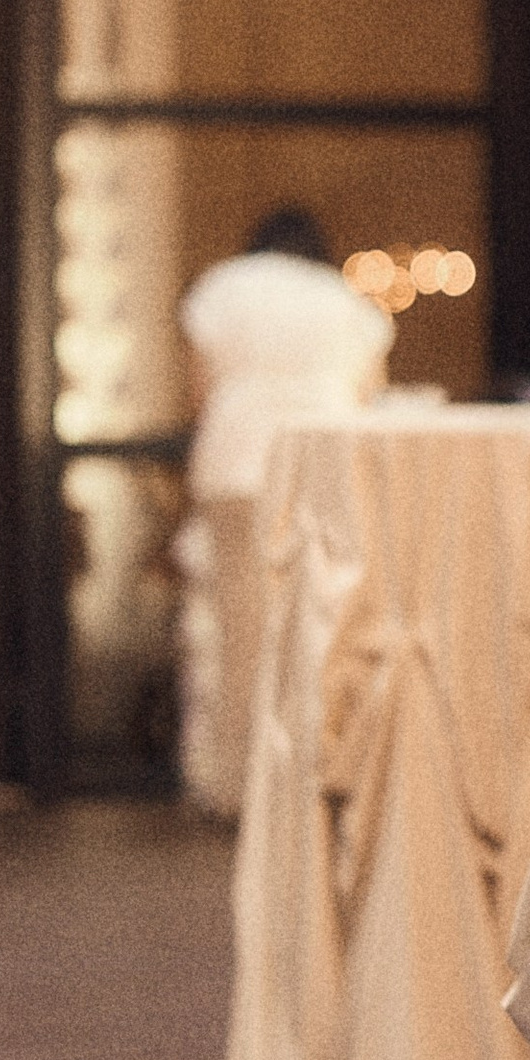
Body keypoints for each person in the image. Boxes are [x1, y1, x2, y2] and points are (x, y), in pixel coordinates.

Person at [176, 208, 392, 815]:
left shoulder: (224, 285)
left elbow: (199, 391)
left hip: (239, 465)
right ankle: (317, 784)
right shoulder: (345, 298)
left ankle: (246, 796)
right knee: (325, 627)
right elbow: (368, 395)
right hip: (326, 467)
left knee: (244, 635)